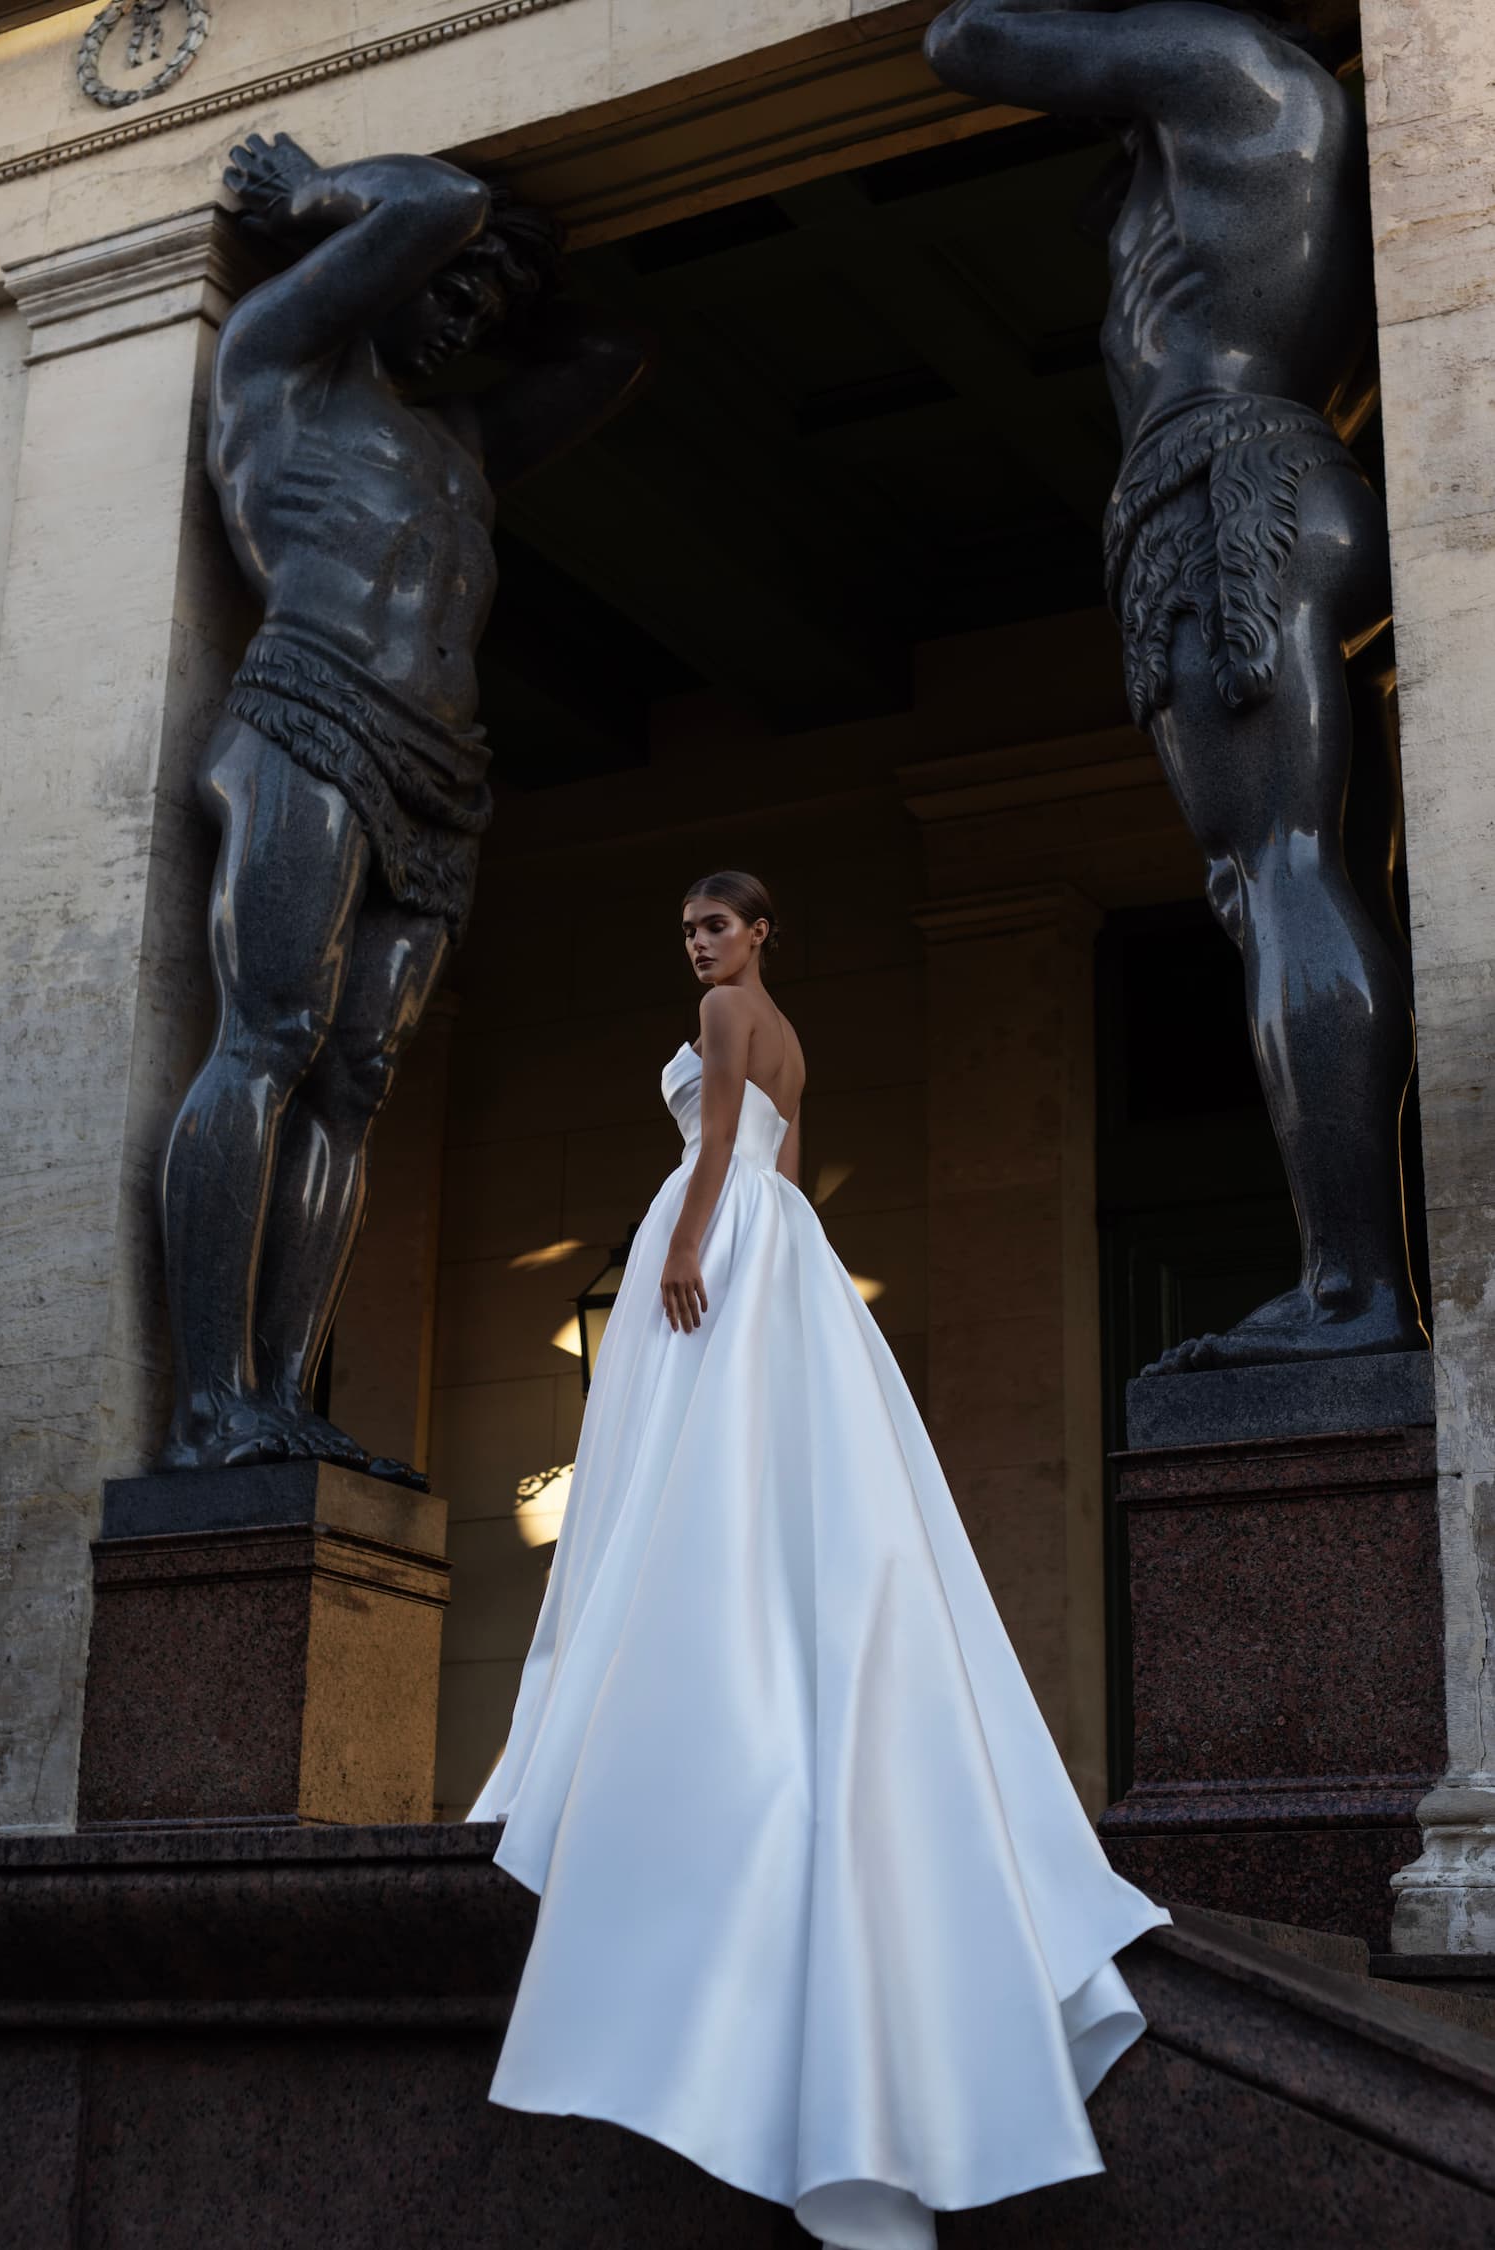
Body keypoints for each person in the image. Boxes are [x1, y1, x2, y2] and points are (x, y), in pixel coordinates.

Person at [469, 872, 1167, 2250]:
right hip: (782, 1244)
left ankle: (650, 1692)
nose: (699, 949)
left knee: (689, 1480)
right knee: (771, 1476)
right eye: (685, 931)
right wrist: (766, 1260)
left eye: (714, 928)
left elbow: (729, 1143)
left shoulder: (731, 1016)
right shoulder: (792, 1029)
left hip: (720, 1228)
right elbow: (787, 1171)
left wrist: (679, 1241)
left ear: (759, 932)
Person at [924, 1, 1428, 1376]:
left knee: (1277, 870)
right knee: (1304, 872)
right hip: (1294, 469)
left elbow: (966, 37)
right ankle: (1363, 1274)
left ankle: (1349, 1288)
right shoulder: (1266, 104)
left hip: (1222, 486)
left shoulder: (1220, 59)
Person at [157, 134, 650, 1480]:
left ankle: (287, 1395)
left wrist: (510, 280)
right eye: (449, 293)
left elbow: (609, 361)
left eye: (482, 313)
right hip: (310, 712)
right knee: (271, 1032)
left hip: (442, 767)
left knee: (356, 1080)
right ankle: (210, 1404)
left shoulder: (461, 443)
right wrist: (323, 200)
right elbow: (440, 197)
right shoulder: (281, 365)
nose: (463, 324)